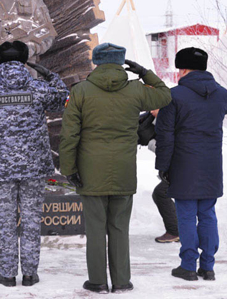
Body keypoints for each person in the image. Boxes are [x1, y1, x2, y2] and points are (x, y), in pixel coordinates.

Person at [59, 43, 171, 294]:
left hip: (90, 170)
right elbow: (165, 95)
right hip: (123, 170)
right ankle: (122, 281)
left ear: (95, 62)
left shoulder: (81, 91)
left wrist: (69, 168)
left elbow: (69, 135)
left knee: (96, 228)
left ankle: (97, 282)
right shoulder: (136, 90)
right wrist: (144, 72)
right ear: (122, 63)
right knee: (120, 227)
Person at [0, 41, 68, 288]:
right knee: (32, 220)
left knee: (4, 222)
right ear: (26, 61)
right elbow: (62, 98)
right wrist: (51, 76)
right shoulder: (38, 89)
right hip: (34, 168)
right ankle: (29, 274)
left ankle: (6, 274)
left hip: (2, 168)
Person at [155, 47, 227, 282]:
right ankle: (208, 267)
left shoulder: (174, 96)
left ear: (182, 69)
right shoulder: (219, 94)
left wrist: (163, 167)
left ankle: (188, 266)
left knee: (187, 216)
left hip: (183, 165)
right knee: (208, 214)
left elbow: (165, 136)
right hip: (211, 166)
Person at [138, 110, 179, 243]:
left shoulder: (169, 121)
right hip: (178, 166)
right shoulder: (155, 120)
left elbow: (166, 148)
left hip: (182, 166)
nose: (151, 111)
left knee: (161, 193)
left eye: (154, 108)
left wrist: (150, 141)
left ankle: (176, 231)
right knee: (162, 193)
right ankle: (178, 230)